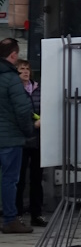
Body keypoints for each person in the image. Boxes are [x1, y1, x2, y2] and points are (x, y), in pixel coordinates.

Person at [0, 39, 36, 234]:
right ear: (13, 55)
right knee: (9, 180)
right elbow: (22, 110)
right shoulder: (12, 79)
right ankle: (10, 219)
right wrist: (29, 130)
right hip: (10, 139)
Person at [14, 59, 43, 227]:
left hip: (38, 139)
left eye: (27, 69)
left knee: (36, 178)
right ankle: (17, 213)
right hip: (22, 139)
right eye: (21, 69)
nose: (25, 72)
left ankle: (36, 213)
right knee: (19, 178)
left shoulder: (38, 89)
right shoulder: (16, 91)